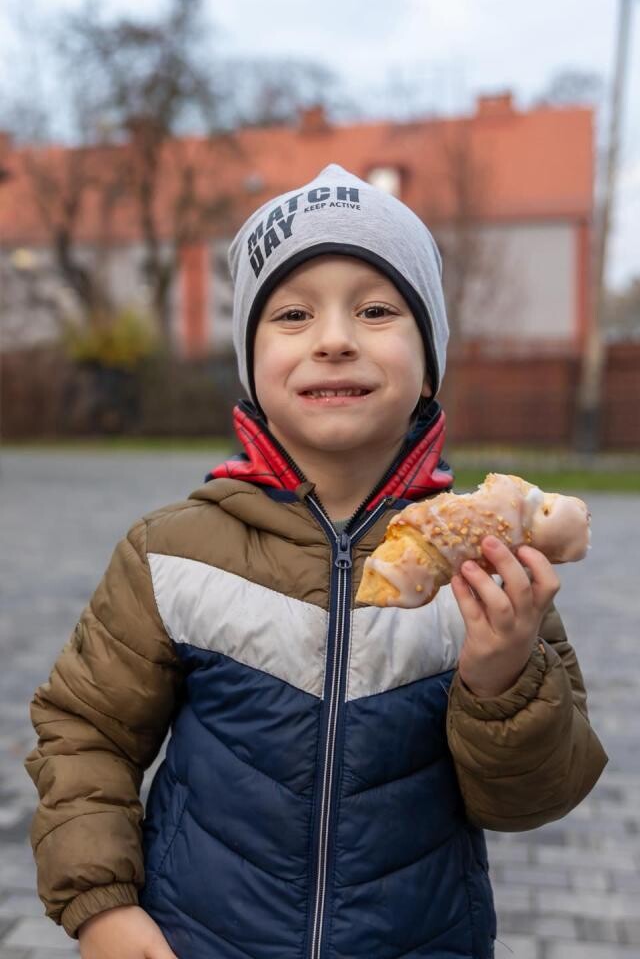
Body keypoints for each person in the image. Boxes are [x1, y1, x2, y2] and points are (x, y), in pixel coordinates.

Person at [25, 164, 607, 959]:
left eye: (374, 309)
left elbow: (533, 797)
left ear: (429, 361)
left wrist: (502, 677)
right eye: (293, 314)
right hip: (200, 941)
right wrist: (100, 905)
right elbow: (85, 731)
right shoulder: (171, 553)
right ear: (252, 366)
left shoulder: (493, 570)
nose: (334, 338)